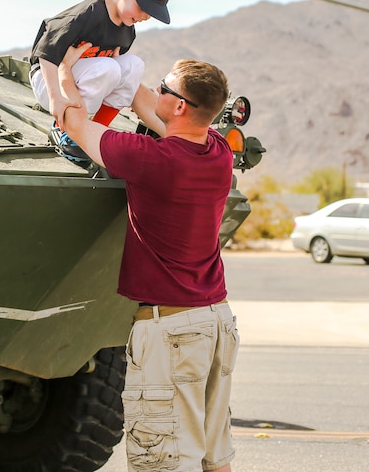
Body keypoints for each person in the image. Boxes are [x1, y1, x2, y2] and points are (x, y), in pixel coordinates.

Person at [58, 53, 239, 472]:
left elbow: (74, 123)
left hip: (170, 332)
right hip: (215, 324)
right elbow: (150, 106)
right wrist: (119, 62)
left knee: (164, 463)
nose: (156, 90)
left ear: (179, 106)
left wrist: (65, 67)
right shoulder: (217, 153)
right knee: (215, 457)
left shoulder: (150, 159)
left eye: (165, 87)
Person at [29, 0, 175, 163]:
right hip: (48, 80)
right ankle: (67, 133)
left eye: (151, 12)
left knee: (133, 65)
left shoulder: (127, 32)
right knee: (108, 68)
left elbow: (116, 71)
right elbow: (45, 54)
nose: (146, 16)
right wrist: (55, 98)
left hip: (80, 82)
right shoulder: (86, 14)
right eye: (143, 6)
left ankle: (97, 128)